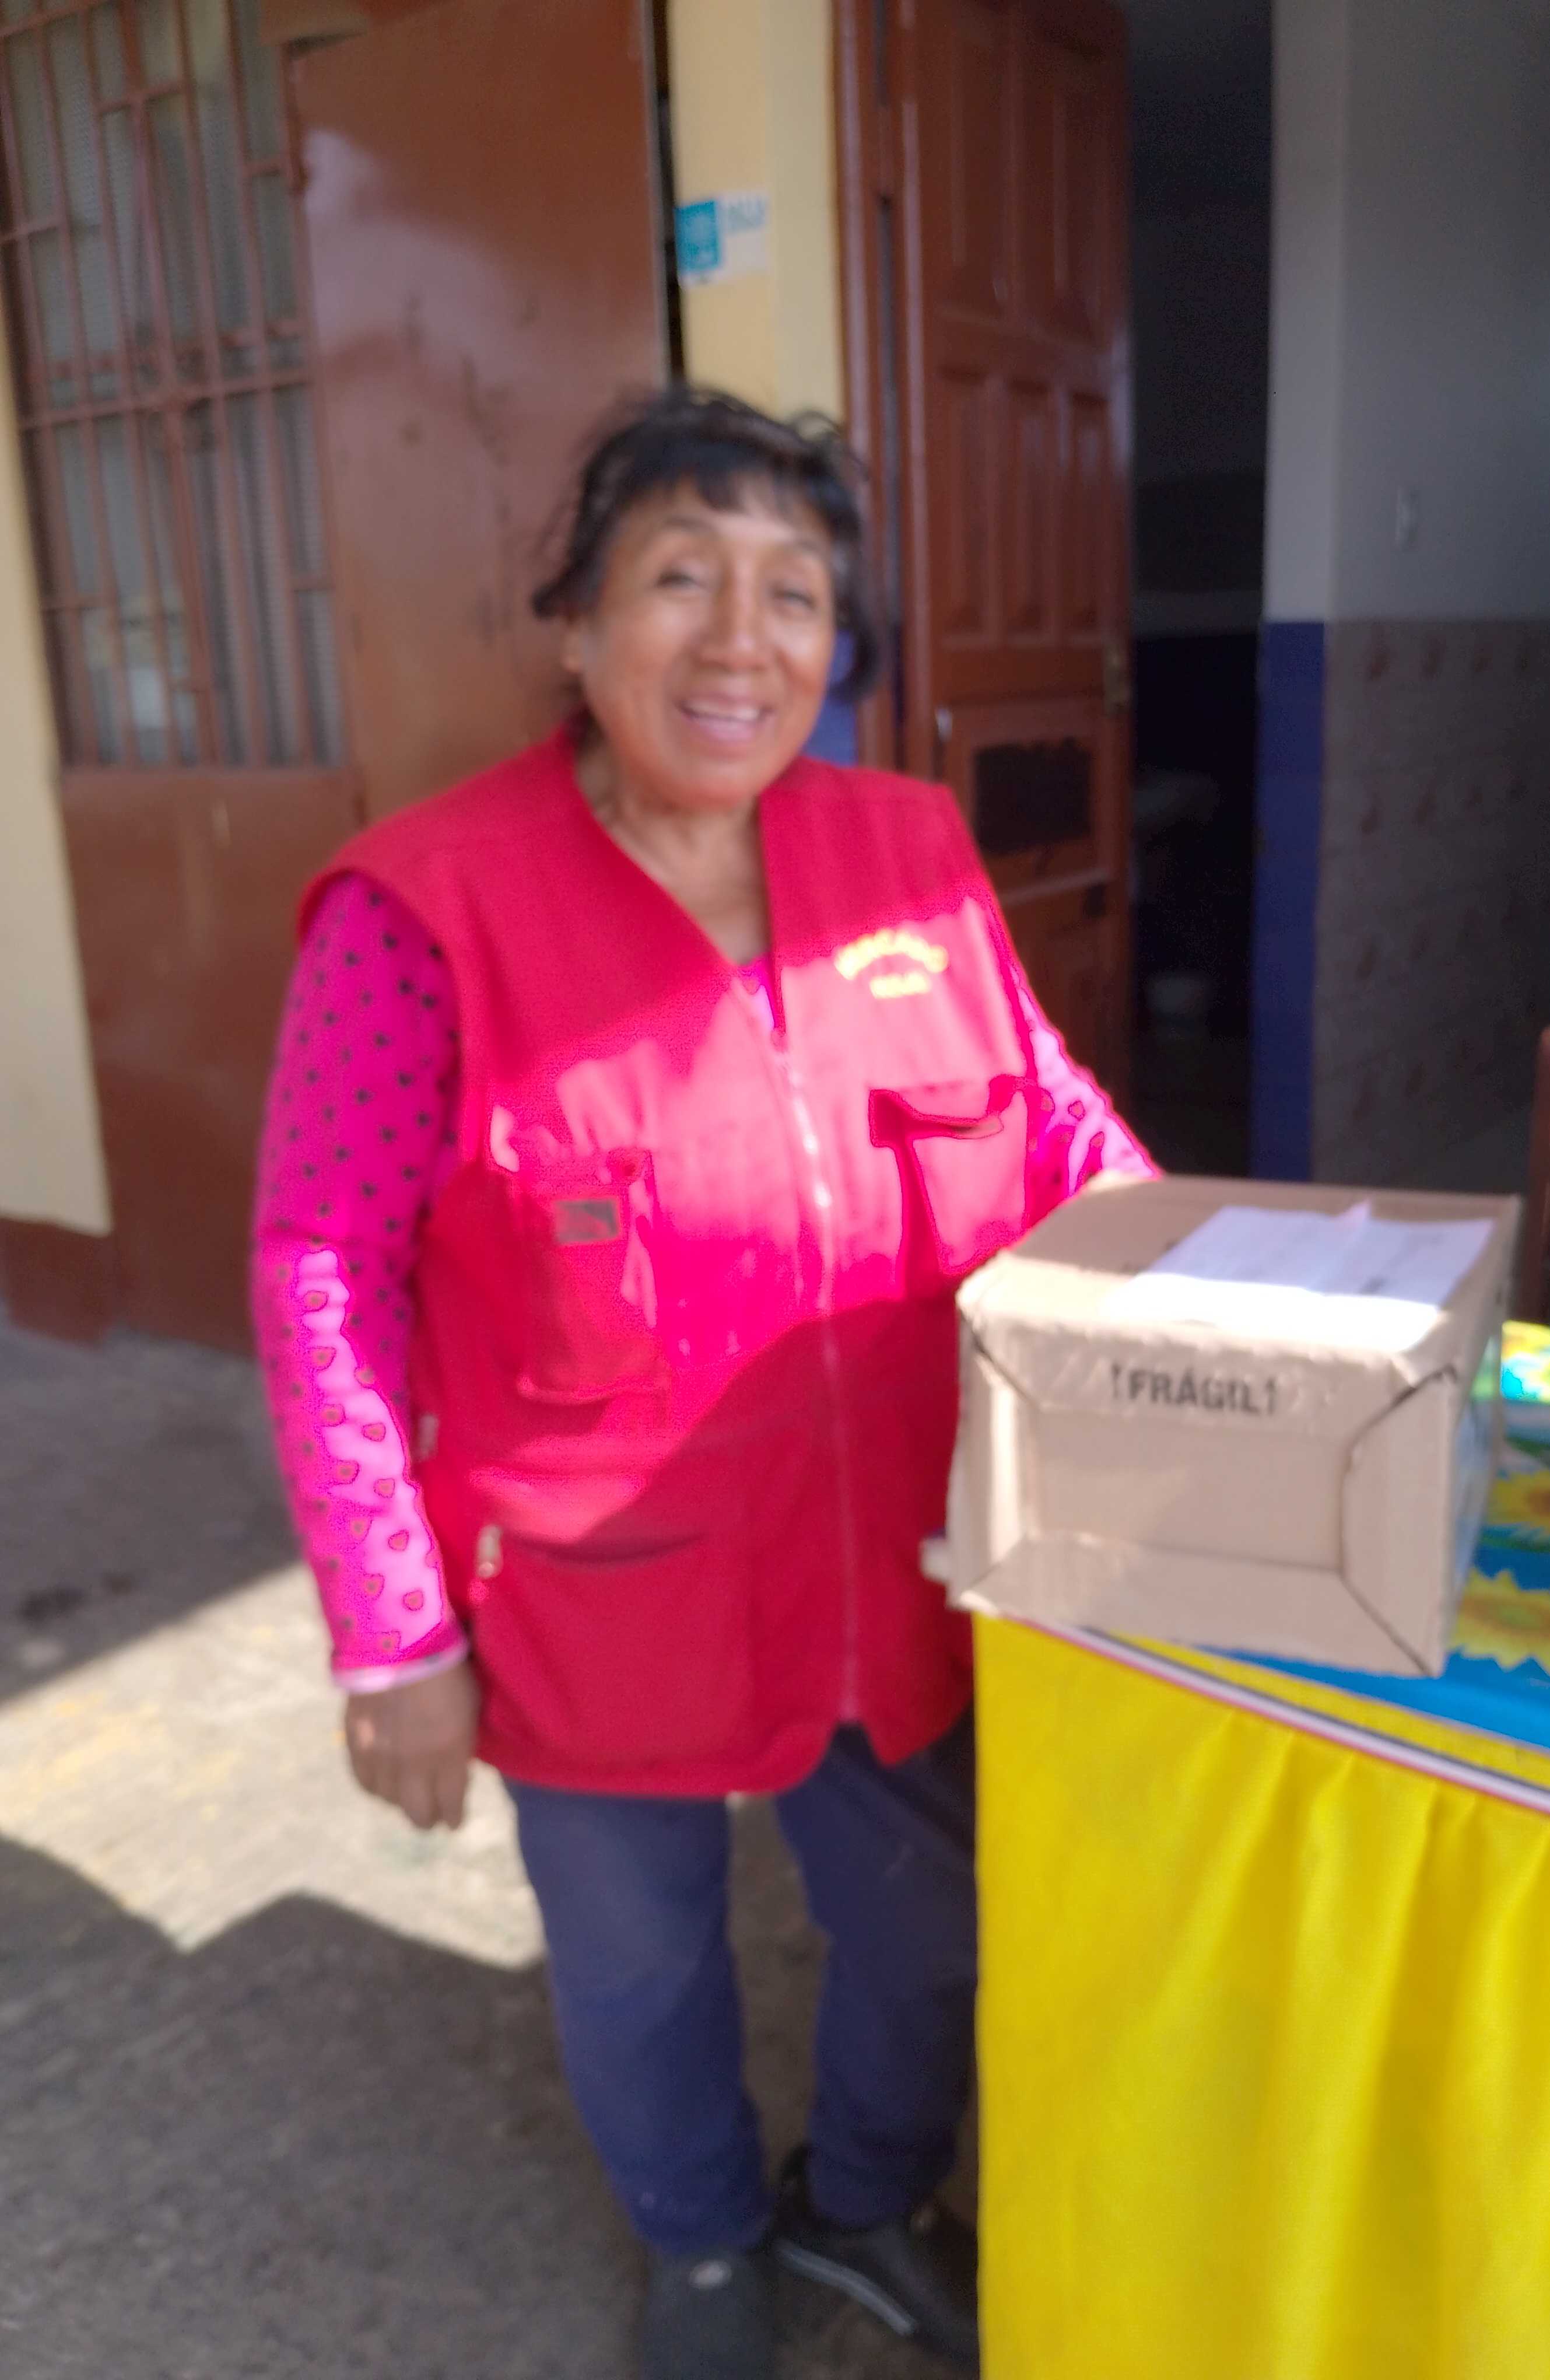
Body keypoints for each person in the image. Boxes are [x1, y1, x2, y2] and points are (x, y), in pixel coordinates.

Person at [250, 386, 1151, 2380]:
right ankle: (705, 2243)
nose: (742, 638)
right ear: (577, 624)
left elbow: (1048, 1115)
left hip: (892, 1547)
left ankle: (866, 2203)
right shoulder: (423, 912)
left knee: (926, 1930)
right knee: (642, 1962)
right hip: (600, 1587)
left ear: (835, 646)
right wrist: (391, 1632)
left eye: (795, 593)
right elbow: (323, 1267)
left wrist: (1213, 1295)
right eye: (681, 578)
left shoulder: (908, 852)